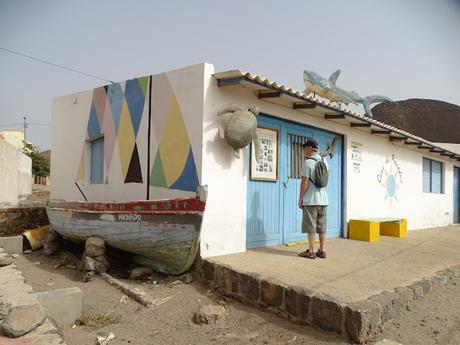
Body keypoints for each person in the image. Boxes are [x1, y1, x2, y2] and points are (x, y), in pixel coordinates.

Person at [298, 138, 328, 259]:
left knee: (311, 227)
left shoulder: (308, 163)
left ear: (310, 148)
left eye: (305, 148)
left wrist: (300, 199)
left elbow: (304, 182)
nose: (304, 150)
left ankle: (311, 251)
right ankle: (322, 250)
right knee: (322, 227)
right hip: (324, 200)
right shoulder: (325, 162)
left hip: (311, 200)